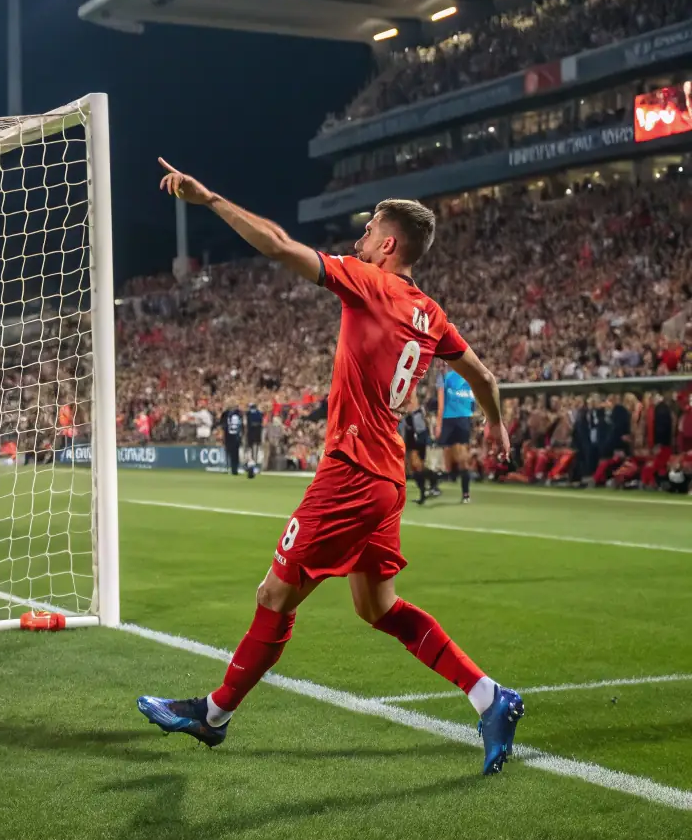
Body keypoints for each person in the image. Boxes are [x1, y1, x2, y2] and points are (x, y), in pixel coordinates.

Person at [138, 161, 524, 776]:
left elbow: (279, 244)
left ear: (388, 245)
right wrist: (497, 422)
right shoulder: (431, 314)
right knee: (377, 607)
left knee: (275, 594)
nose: (360, 239)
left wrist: (211, 199)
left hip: (351, 471)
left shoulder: (371, 282)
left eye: (369, 229)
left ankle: (211, 715)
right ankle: (489, 696)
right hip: (387, 478)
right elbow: (485, 376)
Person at [436, 366, 477, 503]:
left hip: (449, 419)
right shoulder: (468, 378)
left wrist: (438, 425)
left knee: (446, 457)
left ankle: (435, 485)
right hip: (464, 419)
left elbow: (441, 405)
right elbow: (472, 403)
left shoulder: (443, 378)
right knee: (461, 456)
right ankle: (466, 494)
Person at [401, 398, 438, 505]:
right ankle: (433, 480)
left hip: (417, 435)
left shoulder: (415, 407)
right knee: (415, 467)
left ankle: (428, 487)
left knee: (416, 466)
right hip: (410, 434)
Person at [219, 400, 243, 476]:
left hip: (230, 436)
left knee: (229, 453)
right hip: (235, 436)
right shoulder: (239, 414)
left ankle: (228, 468)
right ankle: (233, 469)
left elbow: (222, 425)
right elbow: (241, 425)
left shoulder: (226, 413)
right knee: (233, 453)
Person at [244, 399, 264, 473]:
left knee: (252, 450)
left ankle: (253, 465)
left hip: (252, 434)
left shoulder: (249, 413)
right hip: (255, 434)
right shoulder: (258, 413)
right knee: (253, 450)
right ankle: (253, 465)